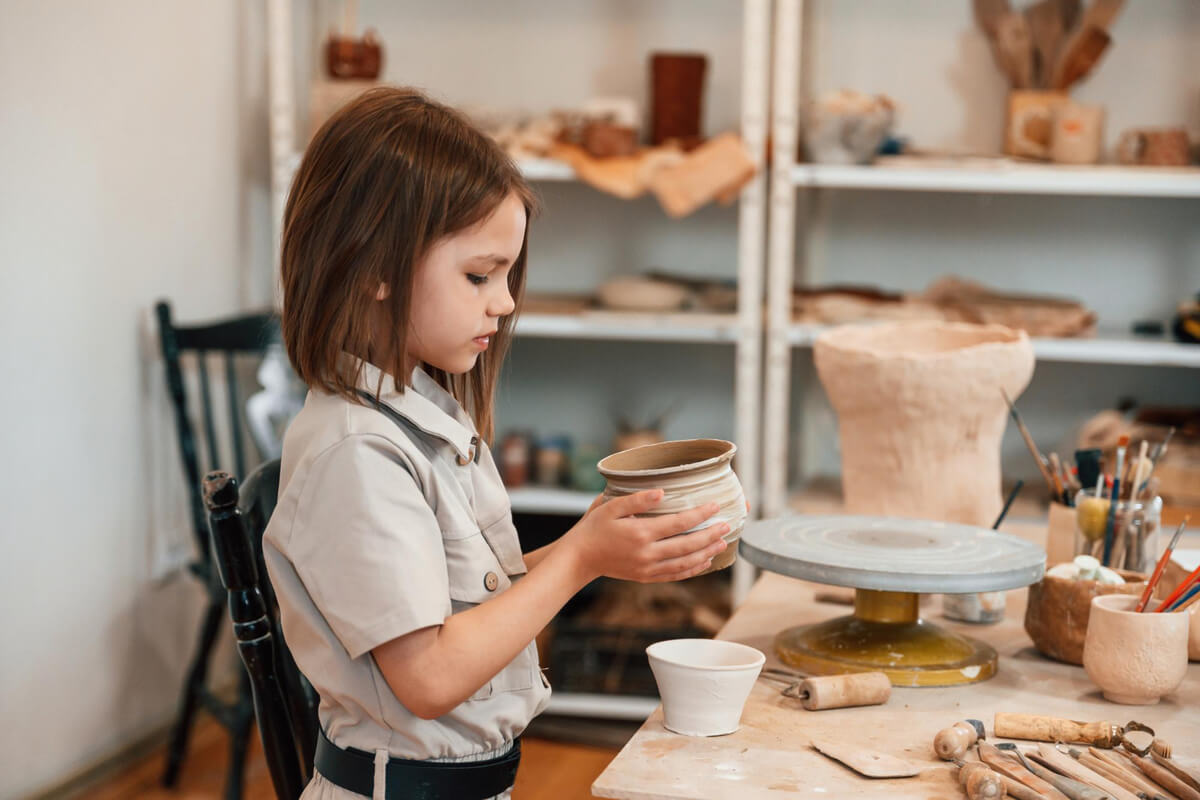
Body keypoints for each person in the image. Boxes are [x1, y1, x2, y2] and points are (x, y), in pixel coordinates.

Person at [263, 87, 730, 800]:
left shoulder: (416, 411)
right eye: (479, 275)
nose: (505, 301)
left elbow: (460, 602)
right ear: (372, 269)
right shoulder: (356, 453)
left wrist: (603, 552)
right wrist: (578, 558)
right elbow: (428, 677)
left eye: (507, 275)